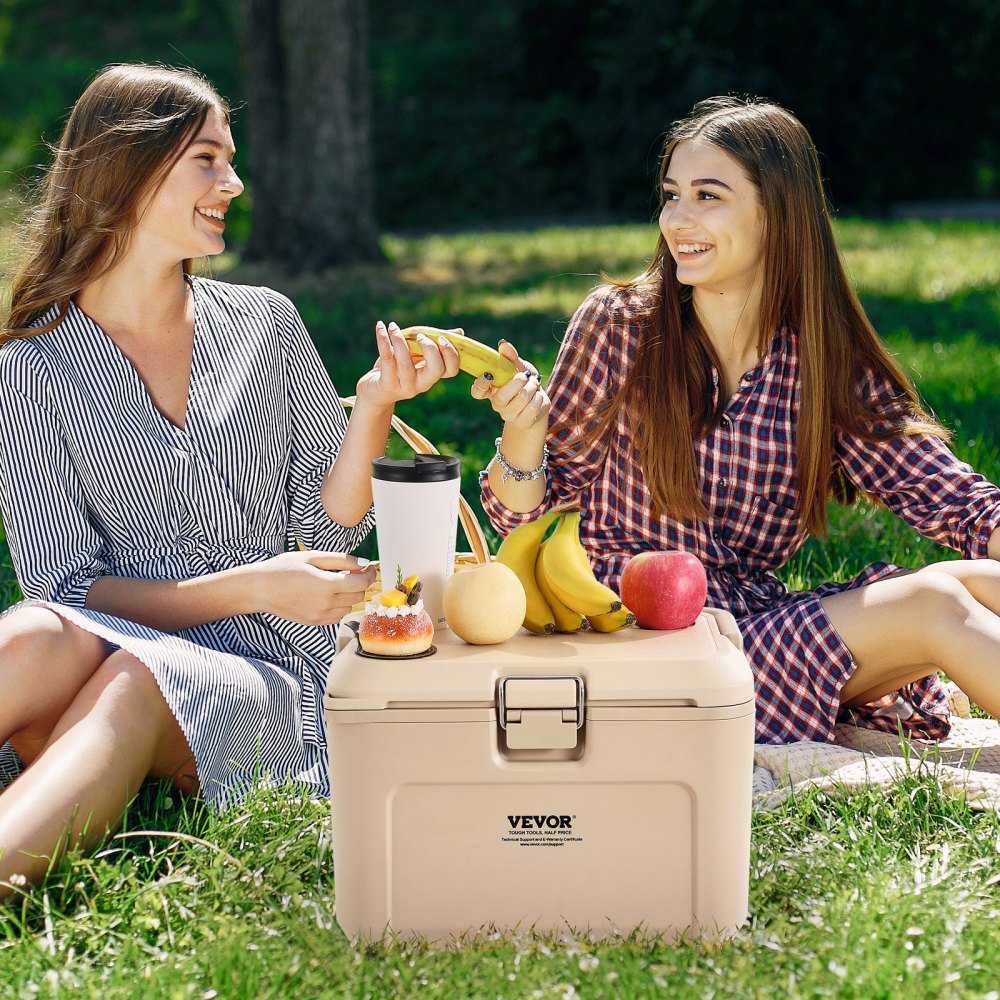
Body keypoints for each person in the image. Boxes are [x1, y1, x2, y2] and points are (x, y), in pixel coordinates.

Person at [0, 63, 460, 890]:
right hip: (112, 638)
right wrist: (248, 583)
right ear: (129, 168)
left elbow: (326, 532)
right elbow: (64, 588)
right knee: (29, 634)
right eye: (208, 160)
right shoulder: (30, 367)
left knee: (141, 677)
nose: (234, 183)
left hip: (271, 669)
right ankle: (68, 761)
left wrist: (373, 408)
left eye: (230, 160)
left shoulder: (266, 323)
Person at [475, 95, 1000, 746]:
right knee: (935, 605)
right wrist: (524, 434)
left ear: (776, 213)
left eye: (707, 196)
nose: (677, 220)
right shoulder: (618, 326)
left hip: (751, 626)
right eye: (672, 195)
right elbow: (522, 525)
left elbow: (960, 503)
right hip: (628, 637)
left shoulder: (822, 367)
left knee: (980, 581)